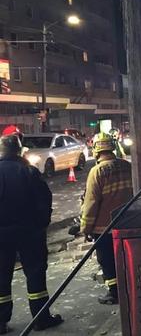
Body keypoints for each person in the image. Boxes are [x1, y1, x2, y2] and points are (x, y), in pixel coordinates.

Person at [0, 135, 63, 334]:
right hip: (29, 233)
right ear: (19, 151)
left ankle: (0, 322)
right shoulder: (29, 171)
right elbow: (44, 200)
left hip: (1, 235)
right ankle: (41, 318)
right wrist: (40, 226)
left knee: (1, 277)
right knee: (35, 275)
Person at [81, 132, 133, 305]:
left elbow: (91, 204)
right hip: (127, 224)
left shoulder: (97, 172)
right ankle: (129, 288)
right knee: (127, 258)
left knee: (108, 262)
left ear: (96, 149)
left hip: (104, 228)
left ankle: (114, 293)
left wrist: (85, 228)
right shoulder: (127, 166)